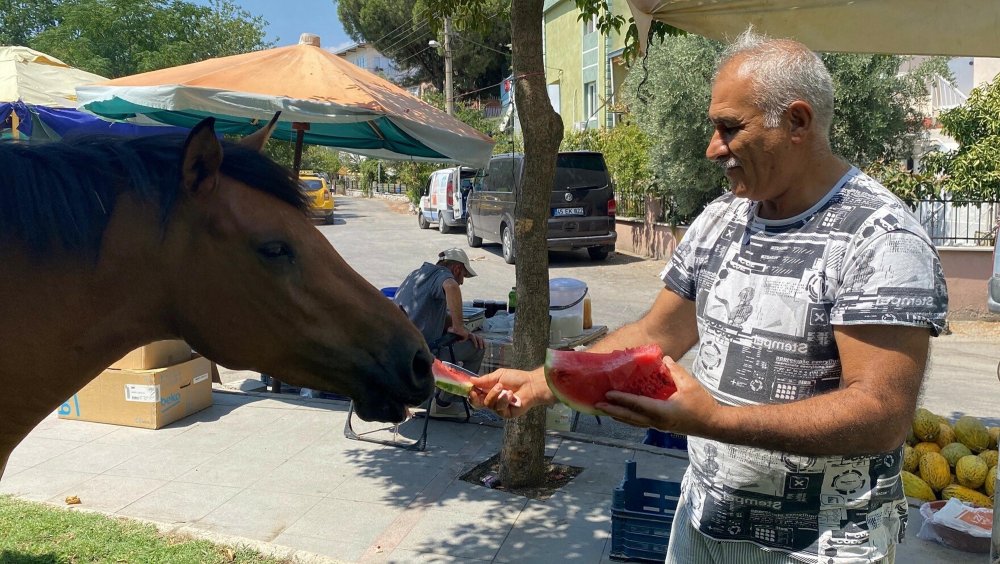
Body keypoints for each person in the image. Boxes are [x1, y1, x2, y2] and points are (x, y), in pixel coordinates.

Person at [470, 29, 948, 564]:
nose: (712, 148)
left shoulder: (881, 237)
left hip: (824, 547)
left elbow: (882, 414)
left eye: (730, 128)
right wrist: (543, 381)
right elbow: (656, 334)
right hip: (702, 527)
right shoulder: (723, 218)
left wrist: (716, 421)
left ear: (797, 121)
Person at [395, 247, 485, 419]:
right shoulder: (443, 276)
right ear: (457, 269)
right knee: (476, 348)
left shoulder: (418, 274)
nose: (462, 282)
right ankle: (444, 404)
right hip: (420, 354)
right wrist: (459, 327)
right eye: (463, 276)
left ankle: (439, 398)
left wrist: (464, 330)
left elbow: (436, 317)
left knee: (460, 342)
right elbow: (451, 286)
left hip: (397, 350)